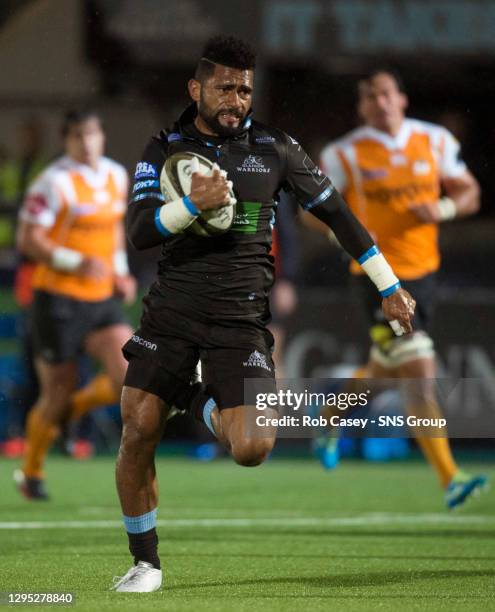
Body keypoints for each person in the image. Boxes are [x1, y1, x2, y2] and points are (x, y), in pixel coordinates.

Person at [111, 35, 415, 592]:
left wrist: (388, 284)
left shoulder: (275, 148)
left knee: (252, 447)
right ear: (196, 89)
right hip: (171, 314)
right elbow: (136, 233)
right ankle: (146, 563)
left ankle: (186, 394)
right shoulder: (163, 147)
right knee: (138, 429)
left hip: (240, 320)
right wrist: (190, 207)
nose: (237, 98)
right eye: (225, 87)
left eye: (245, 89)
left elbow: (340, 216)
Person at [317, 68, 487, 508]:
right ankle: (451, 478)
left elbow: (471, 194)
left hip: (424, 275)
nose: (380, 102)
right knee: (418, 370)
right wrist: (345, 236)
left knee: (383, 372)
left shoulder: (434, 141)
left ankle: (331, 415)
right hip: (375, 277)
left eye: (386, 93)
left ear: (402, 99)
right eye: (370, 96)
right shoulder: (344, 152)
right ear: (361, 107)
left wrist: (445, 206)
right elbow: (311, 212)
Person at [14, 109, 137, 499]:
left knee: (131, 373)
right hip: (58, 300)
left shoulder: (117, 175)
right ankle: (32, 472)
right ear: (67, 141)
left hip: (100, 297)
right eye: (78, 136)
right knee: (55, 395)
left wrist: (119, 270)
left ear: (102, 136)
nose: (87, 143)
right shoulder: (53, 182)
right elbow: (29, 240)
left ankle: (76, 407)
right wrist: (74, 260)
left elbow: (115, 227)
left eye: (93, 134)